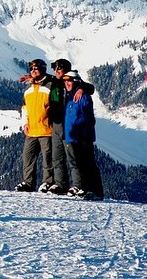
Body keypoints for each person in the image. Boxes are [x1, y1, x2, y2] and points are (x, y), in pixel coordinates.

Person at [47, 58, 94, 194]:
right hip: (56, 124)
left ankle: (78, 185)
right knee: (57, 157)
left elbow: (90, 88)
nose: (56, 71)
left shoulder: (71, 82)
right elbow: (44, 78)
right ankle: (60, 184)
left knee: (72, 157)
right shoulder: (55, 81)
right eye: (54, 68)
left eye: (59, 68)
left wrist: (82, 88)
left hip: (68, 125)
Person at [62, 70, 104, 200]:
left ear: (76, 82)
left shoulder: (83, 97)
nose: (66, 83)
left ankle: (95, 191)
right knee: (76, 163)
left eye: (69, 81)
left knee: (88, 163)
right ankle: (81, 187)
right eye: (65, 81)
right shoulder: (69, 96)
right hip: (70, 136)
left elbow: (88, 117)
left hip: (82, 137)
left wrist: (86, 136)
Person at [15, 61, 53, 193]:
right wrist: (25, 123)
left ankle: (48, 182)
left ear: (43, 69)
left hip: (47, 129)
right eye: (31, 68)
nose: (33, 70)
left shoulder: (49, 85)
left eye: (36, 68)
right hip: (31, 130)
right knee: (28, 158)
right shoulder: (28, 90)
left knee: (48, 159)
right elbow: (24, 108)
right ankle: (28, 183)